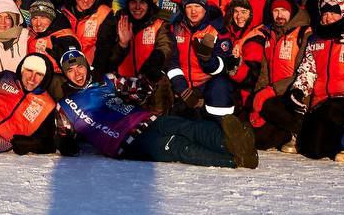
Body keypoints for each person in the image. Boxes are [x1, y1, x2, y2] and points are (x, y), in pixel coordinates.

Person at [54, 49, 257, 168]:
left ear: (85, 66)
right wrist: (69, 141)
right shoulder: (65, 106)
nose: (77, 73)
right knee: (177, 146)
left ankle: (233, 141)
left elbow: (139, 89)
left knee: (187, 127)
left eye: (79, 67)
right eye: (70, 70)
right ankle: (234, 160)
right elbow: (65, 142)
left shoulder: (106, 81)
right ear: (65, 74)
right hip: (125, 142)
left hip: (145, 120)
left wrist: (150, 76)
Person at [287, 0, 344, 164]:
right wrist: (299, 90)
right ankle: (334, 143)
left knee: (332, 112)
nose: (328, 17)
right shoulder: (315, 39)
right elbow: (308, 70)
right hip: (320, 102)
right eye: (325, 12)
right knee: (312, 150)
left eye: (333, 12)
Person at [248, 0, 312, 151]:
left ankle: (302, 131)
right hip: (275, 99)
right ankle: (286, 133)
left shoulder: (304, 33)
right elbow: (264, 73)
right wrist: (257, 98)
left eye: (284, 10)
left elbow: (303, 74)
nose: (279, 15)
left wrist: (270, 91)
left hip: (296, 97)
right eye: (276, 11)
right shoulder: (270, 34)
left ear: (292, 11)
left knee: (269, 105)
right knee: (260, 141)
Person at [166, 0, 234, 119]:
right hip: (181, 84)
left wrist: (208, 60)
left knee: (221, 86)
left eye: (197, 6)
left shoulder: (216, 29)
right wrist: (183, 90)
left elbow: (224, 66)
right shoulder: (175, 27)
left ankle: (221, 124)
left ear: (205, 8)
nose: (193, 11)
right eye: (189, 6)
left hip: (206, 83)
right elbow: (172, 61)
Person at [110, 0, 172, 81]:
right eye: (133, 2)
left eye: (142, 2)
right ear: (128, 4)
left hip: (150, 83)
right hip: (122, 84)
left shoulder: (160, 22)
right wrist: (122, 45)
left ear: (149, 5)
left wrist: (152, 65)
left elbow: (165, 46)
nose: (137, 7)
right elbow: (109, 59)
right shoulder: (118, 21)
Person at [63, 0, 118, 76]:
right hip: (66, 72)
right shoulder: (64, 13)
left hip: (92, 72)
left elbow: (105, 50)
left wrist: (95, 74)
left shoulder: (104, 14)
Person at [25, 0, 79, 66]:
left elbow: (74, 68)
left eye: (43, 17)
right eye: (34, 18)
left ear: (52, 18)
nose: (38, 23)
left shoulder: (64, 39)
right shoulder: (31, 33)